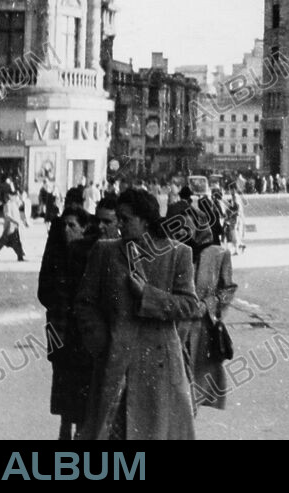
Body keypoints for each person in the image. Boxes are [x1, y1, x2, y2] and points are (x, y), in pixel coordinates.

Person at [76, 188, 200, 440]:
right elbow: (84, 303)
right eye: (118, 219)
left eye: (126, 219)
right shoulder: (105, 251)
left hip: (160, 369)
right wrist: (102, 342)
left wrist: (147, 295)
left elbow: (190, 306)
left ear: (145, 220)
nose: (119, 225)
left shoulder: (178, 254)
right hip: (115, 364)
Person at [38, 207, 97, 439]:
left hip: (82, 338)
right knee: (64, 396)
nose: (66, 230)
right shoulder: (57, 254)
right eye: (65, 225)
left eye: (72, 225)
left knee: (82, 399)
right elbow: (44, 294)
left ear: (84, 228)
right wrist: (53, 345)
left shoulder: (93, 254)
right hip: (60, 331)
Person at [184, 219, 237, 410]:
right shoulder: (173, 251)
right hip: (175, 326)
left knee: (196, 387)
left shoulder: (219, 254)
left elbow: (227, 289)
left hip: (202, 329)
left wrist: (208, 305)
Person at [0, 180, 26, 262]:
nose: (15, 196)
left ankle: (20, 256)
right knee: (4, 241)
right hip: (9, 227)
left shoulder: (14, 203)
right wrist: (15, 221)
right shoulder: (8, 204)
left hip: (14, 227)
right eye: (13, 195)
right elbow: (7, 216)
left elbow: (21, 205)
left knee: (15, 242)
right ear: (9, 196)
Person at [224, 185, 246, 256]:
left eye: (231, 190)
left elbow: (237, 208)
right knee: (235, 233)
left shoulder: (235, 197)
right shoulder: (235, 197)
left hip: (235, 218)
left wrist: (231, 214)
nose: (230, 191)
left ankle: (237, 249)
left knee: (234, 233)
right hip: (236, 217)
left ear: (234, 190)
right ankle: (240, 246)